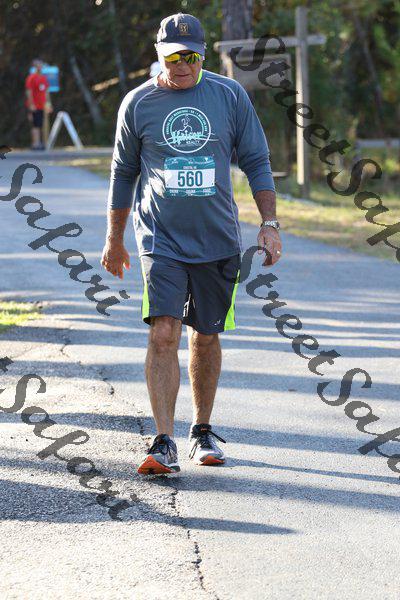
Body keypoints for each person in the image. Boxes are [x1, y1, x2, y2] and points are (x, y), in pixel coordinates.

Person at [102, 13, 282, 475]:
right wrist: (114, 238)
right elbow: (123, 172)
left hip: (218, 238)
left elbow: (257, 160)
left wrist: (269, 223)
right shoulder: (138, 103)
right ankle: (163, 440)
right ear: (159, 56)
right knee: (164, 331)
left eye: (191, 57)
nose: (182, 65)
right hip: (160, 237)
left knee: (206, 333)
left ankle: (202, 430)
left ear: (202, 54)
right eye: (172, 57)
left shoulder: (229, 95)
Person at [25, 59, 53, 150]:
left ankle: (43, 143)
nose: (40, 67)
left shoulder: (44, 78)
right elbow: (29, 92)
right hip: (35, 106)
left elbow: (46, 92)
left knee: (42, 124)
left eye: (41, 65)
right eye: (38, 66)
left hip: (42, 105)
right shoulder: (31, 78)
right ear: (35, 67)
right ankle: (35, 144)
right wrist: (31, 104)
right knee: (35, 125)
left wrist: (48, 103)